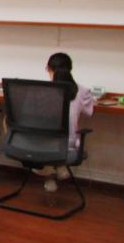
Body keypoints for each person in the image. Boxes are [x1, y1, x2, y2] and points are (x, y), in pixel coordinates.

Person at [37, 52, 95, 192]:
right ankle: (59, 166)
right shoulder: (82, 91)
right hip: (69, 145)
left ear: (49, 69)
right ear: (70, 69)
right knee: (53, 144)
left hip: (41, 145)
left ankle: (50, 176)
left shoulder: (41, 90)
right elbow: (89, 112)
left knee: (39, 141)